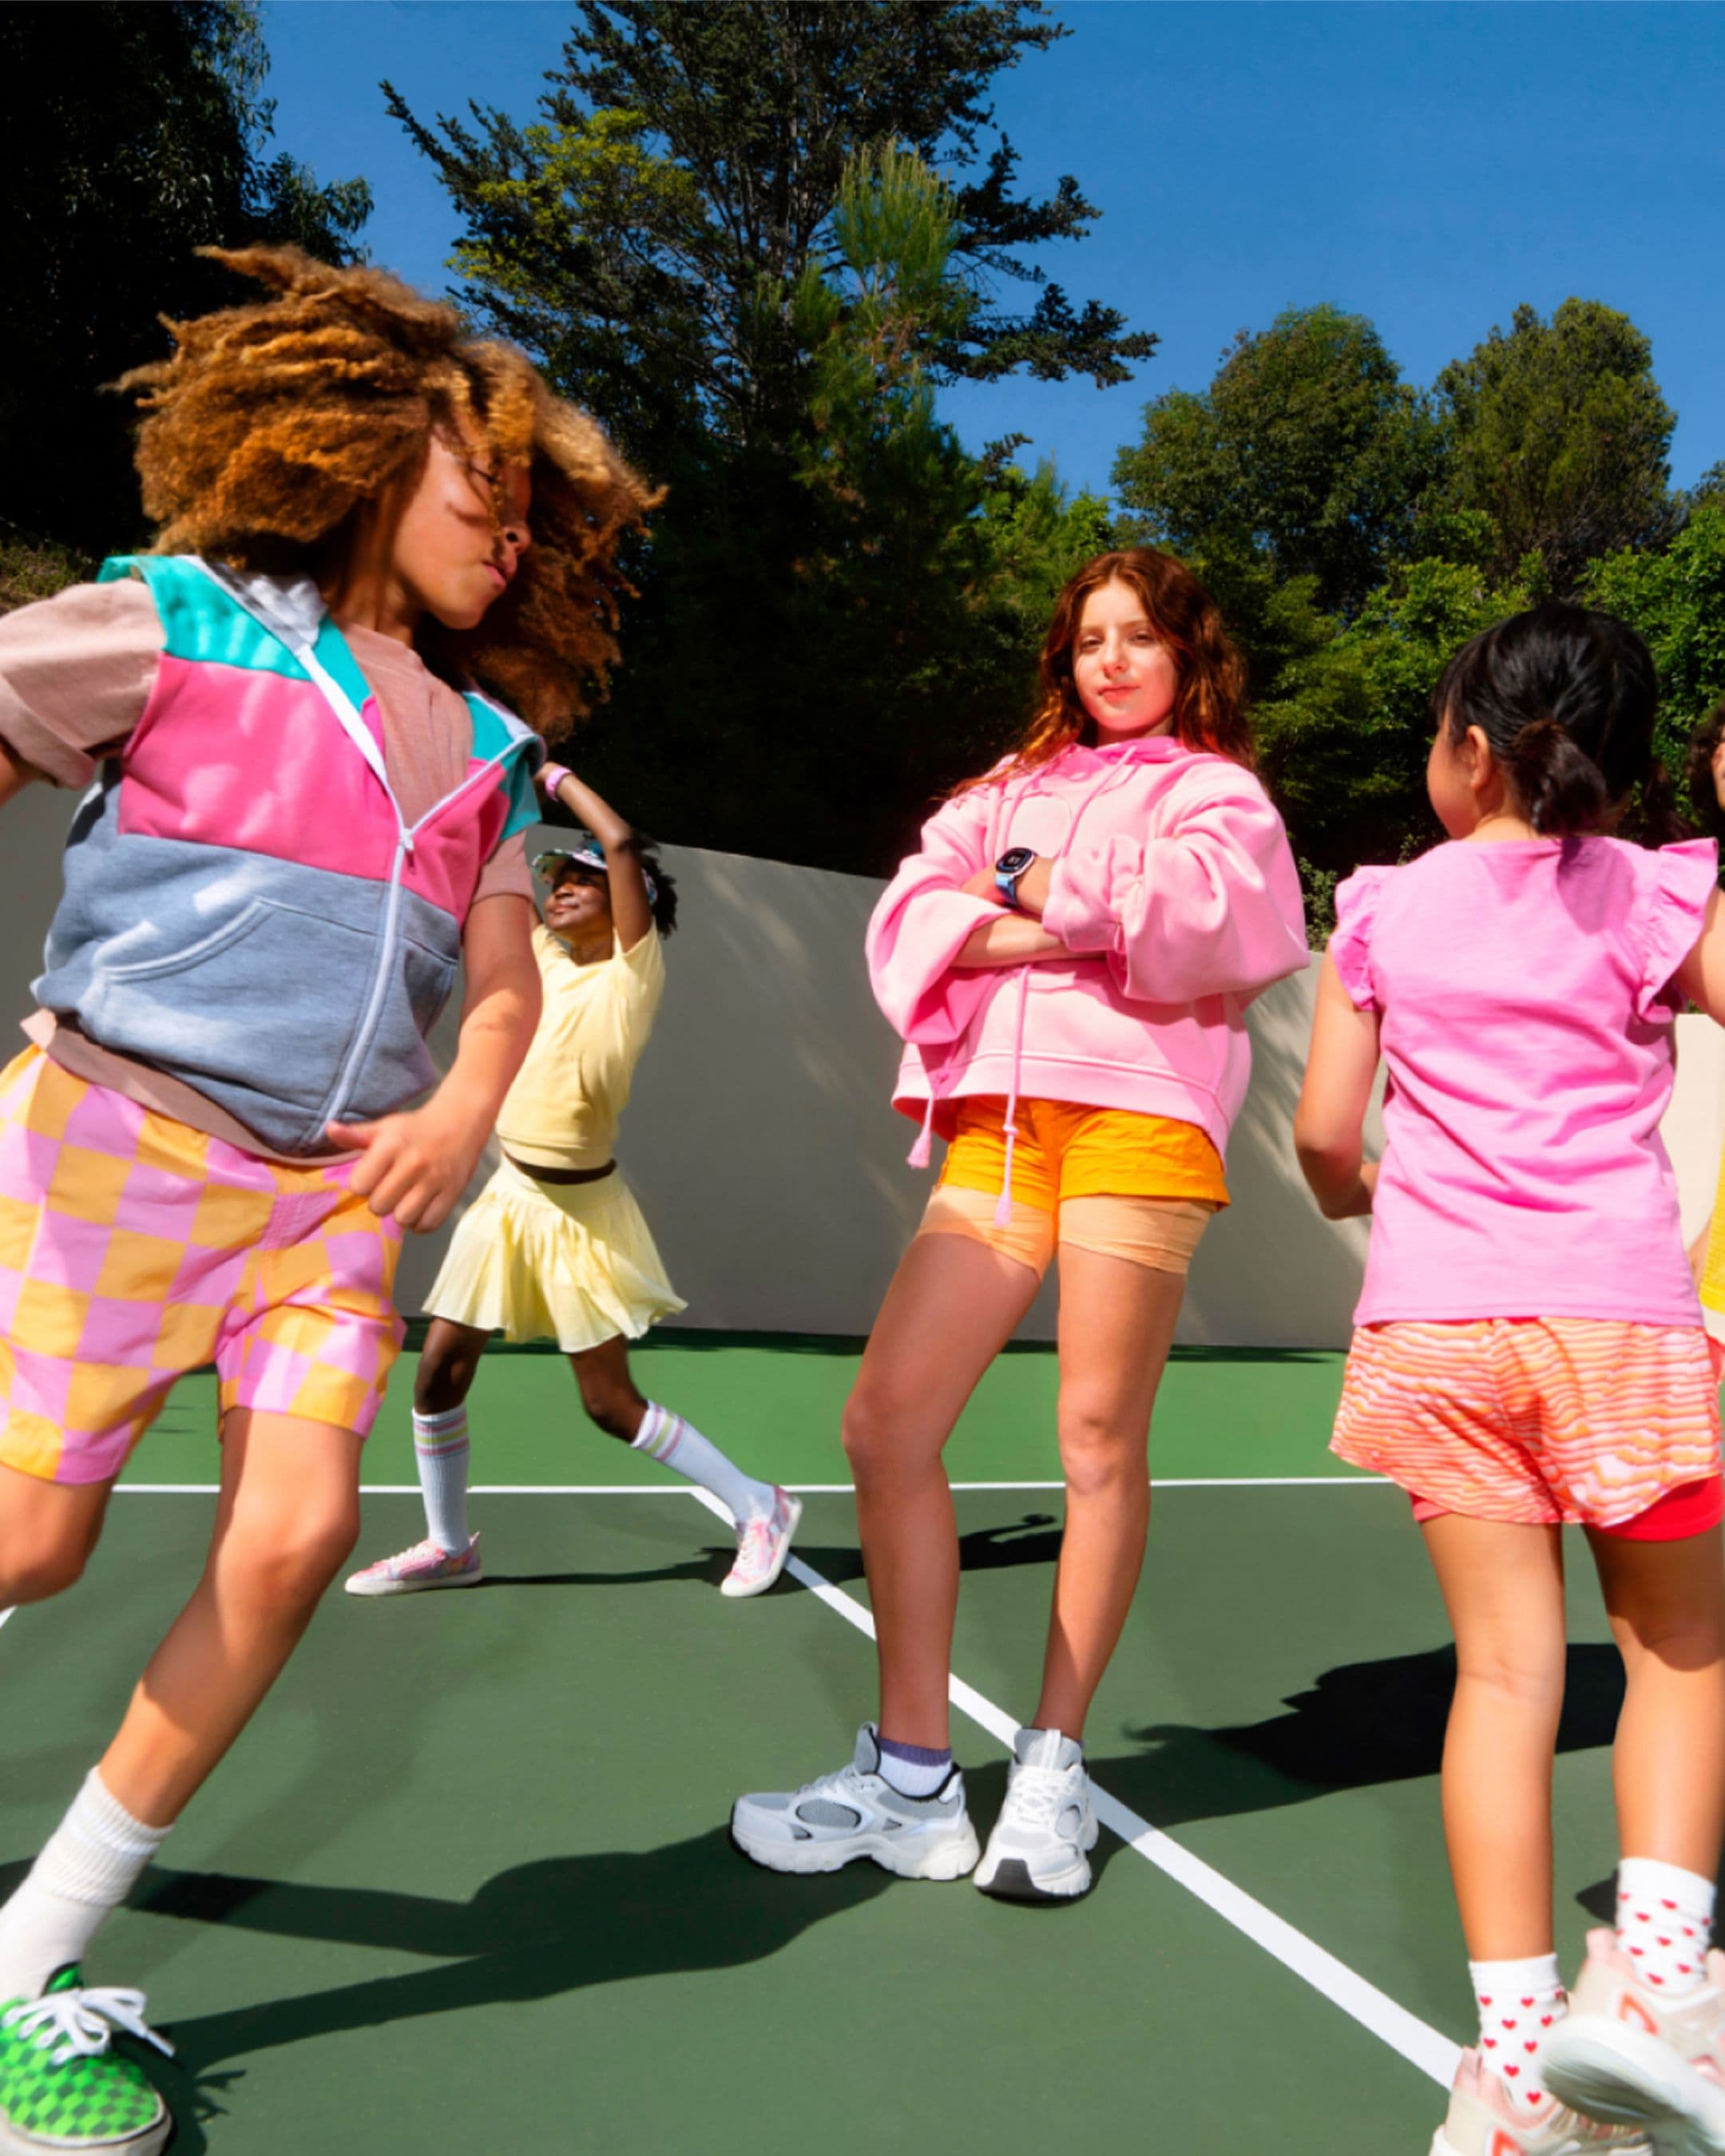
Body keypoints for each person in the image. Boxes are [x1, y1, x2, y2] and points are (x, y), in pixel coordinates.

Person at [0, 245, 652, 2154]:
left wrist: (465, 1095)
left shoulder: (497, 756)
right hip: (119, 1138)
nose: (511, 539)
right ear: (373, 450)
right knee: (30, 1543)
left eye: (536, 521)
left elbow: (514, 973)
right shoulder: (170, 622)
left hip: (339, 1194)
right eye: (486, 493)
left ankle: (29, 1953)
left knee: (293, 1539)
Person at [732, 546, 1307, 1902]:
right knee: (887, 1422)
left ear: (1186, 657)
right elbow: (908, 919)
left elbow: (1235, 926)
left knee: (1096, 1437)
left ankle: (1053, 1767)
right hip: (998, 1125)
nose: (1112, 660)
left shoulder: (1219, 795)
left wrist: (1039, 897)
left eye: (1141, 637)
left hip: (1140, 1121)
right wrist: (1069, 922)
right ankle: (915, 1778)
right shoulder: (1001, 793)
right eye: (1091, 638)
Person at [1295, 603, 1725, 2156]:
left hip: (1436, 1333)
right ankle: (1661, 2000)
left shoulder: (1382, 914)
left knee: (1502, 1682)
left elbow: (1327, 1142)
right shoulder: (1662, 894)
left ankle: (1522, 2080)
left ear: (1469, 751)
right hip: (1617, 1326)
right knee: (1678, 1654)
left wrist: (1369, 1210)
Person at [344, 762, 800, 1602]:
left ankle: (759, 1503)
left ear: (627, 905)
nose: (563, 892)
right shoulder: (543, 960)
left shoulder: (632, 973)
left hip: (583, 1213)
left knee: (606, 1403)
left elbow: (622, 839)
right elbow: (495, 881)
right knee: (438, 1369)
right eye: (559, 881)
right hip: (511, 1196)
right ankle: (450, 1546)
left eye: (583, 883)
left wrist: (547, 774)